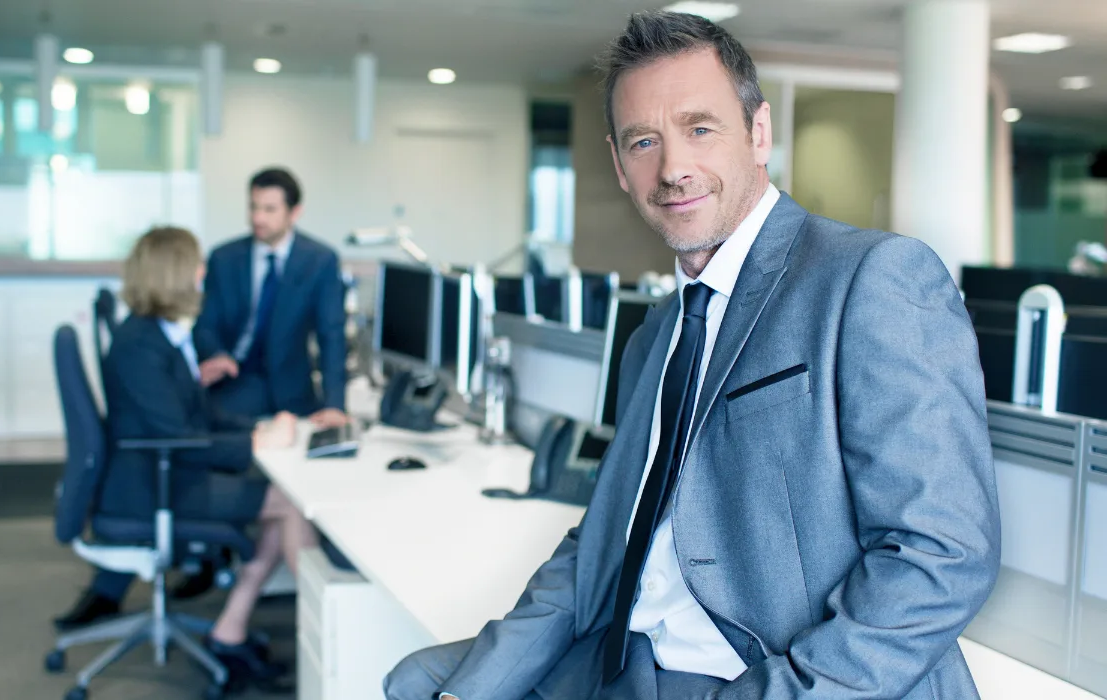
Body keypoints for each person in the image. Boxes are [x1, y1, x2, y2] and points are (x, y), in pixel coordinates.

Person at [384, 11, 1000, 700]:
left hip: (767, 672)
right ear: (619, 165)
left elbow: (941, 556)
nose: (673, 168)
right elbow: (602, 543)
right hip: (635, 657)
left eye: (699, 128)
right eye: (645, 142)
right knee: (418, 683)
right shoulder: (656, 334)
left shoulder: (869, 279)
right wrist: (472, 690)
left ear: (758, 133)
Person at [73, 227, 313, 691]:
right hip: (154, 489)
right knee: (287, 503)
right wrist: (256, 446)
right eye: (197, 266)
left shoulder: (157, 334)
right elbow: (179, 436)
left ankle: (231, 629)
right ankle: (325, 616)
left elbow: (199, 412)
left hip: (165, 475)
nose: (205, 274)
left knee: (281, 504)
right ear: (176, 274)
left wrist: (257, 430)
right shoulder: (139, 345)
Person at [194, 167, 349, 428]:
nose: (258, 218)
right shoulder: (223, 258)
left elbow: (331, 335)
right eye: (253, 207)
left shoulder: (320, 261)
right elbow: (205, 324)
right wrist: (217, 354)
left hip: (293, 389)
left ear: (294, 212)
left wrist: (335, 403)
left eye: (269, 209)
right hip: (235, 380)